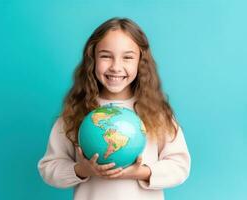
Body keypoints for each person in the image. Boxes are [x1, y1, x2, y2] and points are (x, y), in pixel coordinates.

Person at [37, 17, 191, 200]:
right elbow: (48, 168)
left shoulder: (157, 113)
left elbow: (180, 166)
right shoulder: (76, 112)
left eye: (127, 57)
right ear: (92, 59)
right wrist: (82, 170)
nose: (116, 67)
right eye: (106, 56)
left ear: (141, 61)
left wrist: (140, 173)